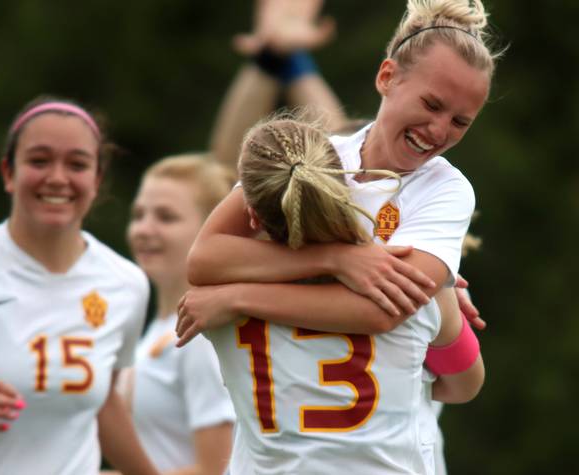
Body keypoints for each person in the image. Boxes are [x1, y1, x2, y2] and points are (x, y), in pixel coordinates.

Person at [175, 0, 501, 472]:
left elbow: (383, 310)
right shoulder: (306, 159)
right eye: (431, 104)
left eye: (460, 122)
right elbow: (202, 259)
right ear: (387, 77)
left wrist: (241, 295)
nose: (439, 129)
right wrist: (336, 261)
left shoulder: (445, 189)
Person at [0, 97, 159, 475]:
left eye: (77, 164)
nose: (57, 178)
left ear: (97, 179)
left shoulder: (126, 283)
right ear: (8, 173)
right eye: (39, 161)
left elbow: (103, 405)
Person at [116, 155, 237, 475]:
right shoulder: (160, 326)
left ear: (210, 229)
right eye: (138, 214)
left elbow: (218, 469)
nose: (144, 229)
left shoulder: (200, 332)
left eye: (165, 217)